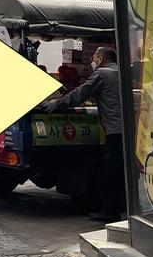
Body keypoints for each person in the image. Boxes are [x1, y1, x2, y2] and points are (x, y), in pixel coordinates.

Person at [40, 46, 124, 222]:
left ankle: (110, 212)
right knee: (117, 170)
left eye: (94, 57)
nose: (92, 61)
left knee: (109, 172)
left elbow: (80, 93)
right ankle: (118, 207)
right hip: (125, 129)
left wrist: (57, 103)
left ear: (100, 59)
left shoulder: (102, 74)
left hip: (114, 129)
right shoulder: (121, 72)